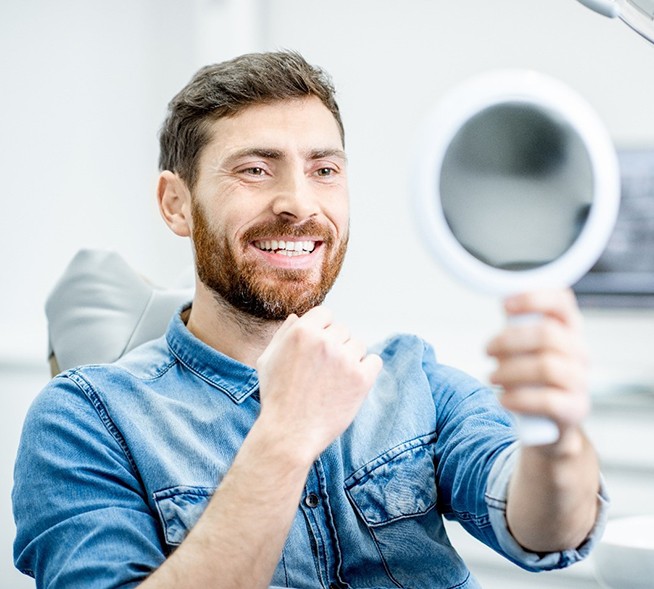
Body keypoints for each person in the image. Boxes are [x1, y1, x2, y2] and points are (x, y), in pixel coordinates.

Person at [13, 50, 608, 589]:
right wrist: (284, 438)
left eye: (324, 170)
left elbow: (547, 531)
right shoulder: (84, 419)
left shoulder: (412, 378)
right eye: (255, 169)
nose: (299, 203)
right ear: (176, 203)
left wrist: (554, 438)